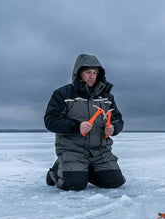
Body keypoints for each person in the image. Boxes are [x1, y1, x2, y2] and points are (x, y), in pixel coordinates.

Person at [44, 54, 125, 190]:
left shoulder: (107, 97)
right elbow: (50, 120)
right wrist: (76, 126)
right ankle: (55, 172)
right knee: (73, 184)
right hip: (73, 150)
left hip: (101, 153)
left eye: (95, 73)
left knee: (115, 182)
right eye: (88, 72)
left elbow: (118, 119)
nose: (92, 76)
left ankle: (83, 171)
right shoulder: (63, 94)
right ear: (78, 73)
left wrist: (114, 128)